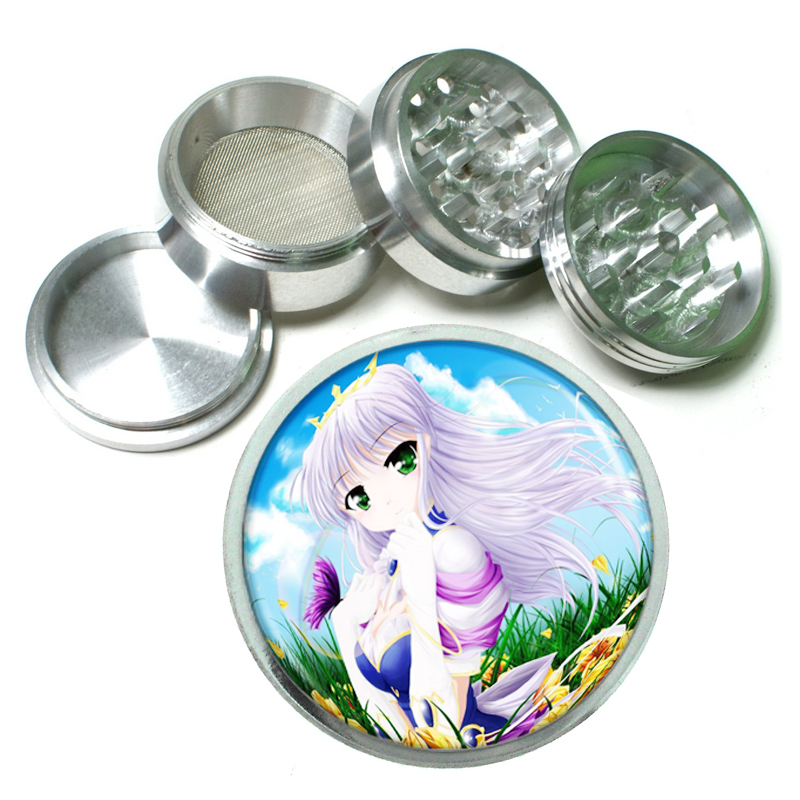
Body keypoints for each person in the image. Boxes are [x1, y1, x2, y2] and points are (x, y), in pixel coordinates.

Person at [298, 354, 644, 745]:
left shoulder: (454, 552)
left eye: (400, 460)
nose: (387, 498)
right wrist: (345, 624)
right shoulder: (390, 567)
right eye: (359, 497)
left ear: (426, 443)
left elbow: (441, 713)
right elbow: (382, 721)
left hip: (469, 743)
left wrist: (422, 586)